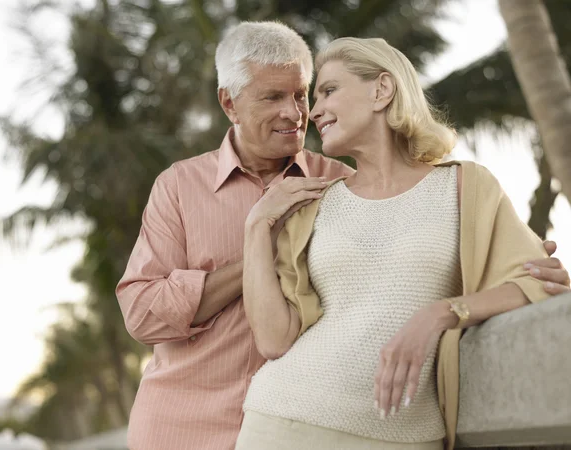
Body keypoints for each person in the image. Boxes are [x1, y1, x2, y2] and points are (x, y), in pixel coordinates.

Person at [116, 22, 569, 450]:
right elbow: (142, 313)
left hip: (348, 421)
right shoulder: (179, 187)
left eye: (303, 95)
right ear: (229, 104)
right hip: (188, 427)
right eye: (273, 97)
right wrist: (261, 233)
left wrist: (501, 265)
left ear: (382, 90)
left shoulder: (335, 185)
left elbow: (413, 254)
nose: (297, 114)